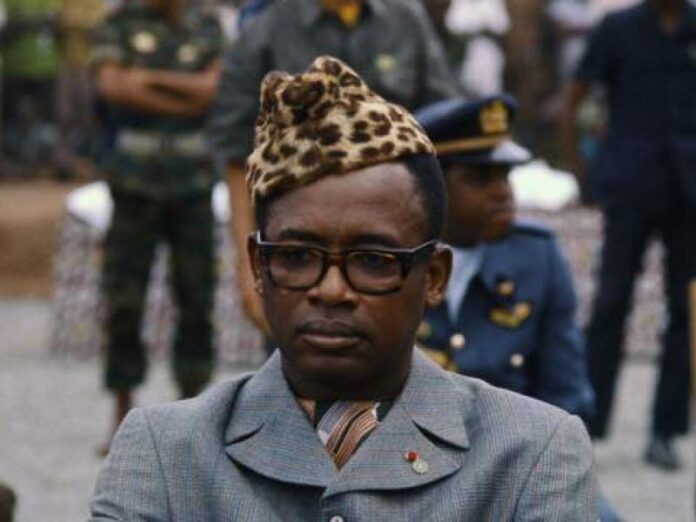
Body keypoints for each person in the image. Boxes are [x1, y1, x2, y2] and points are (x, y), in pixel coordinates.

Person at [91, 56, 596, 521]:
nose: (331, 291)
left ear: (434, 277)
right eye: (297, 256)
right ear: (258, 266)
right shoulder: (164, 452)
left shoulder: (530, 452)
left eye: (373, 261)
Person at [416, 95, 624, 522]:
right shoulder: (392, 261)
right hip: (410, 467)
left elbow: (566, 394)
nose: (503, 192)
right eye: (480, 178)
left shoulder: (536, 257)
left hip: (515, 462)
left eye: (506, 175)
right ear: (430, 187)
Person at [207, 0, 460, 337]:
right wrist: (246, 265)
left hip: (386, 248)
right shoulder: (265, 28)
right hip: (303, 247)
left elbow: (444, 130)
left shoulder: (405, 20)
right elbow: (237, 155)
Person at [562, 0, 696, 470]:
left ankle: (665, 430)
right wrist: (580, 166)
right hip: (631, 182)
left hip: (688, 188)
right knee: (611, 302)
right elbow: (577, 93)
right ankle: (589, 421)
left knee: (684, 308)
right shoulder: (618, 28)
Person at [90, 0, 224, 448]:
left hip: (193, 182)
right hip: (134, 182)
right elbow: (113, 87)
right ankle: (122, 409)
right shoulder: (119, 24)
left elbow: (214, 91)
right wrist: (185, 90)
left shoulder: (207, 25)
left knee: (196, 294)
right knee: (124, 299)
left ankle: (192, 412)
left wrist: (148, 78)